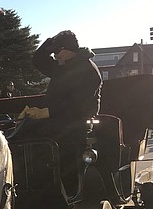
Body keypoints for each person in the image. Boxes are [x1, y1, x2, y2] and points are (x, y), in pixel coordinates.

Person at [31, 29, 102, 192]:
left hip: (76, 123)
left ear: (68, 50)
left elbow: (77, 105)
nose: (55, 56)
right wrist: (50, 43)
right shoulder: (61, 66)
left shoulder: (89, 71)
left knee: (59, 142)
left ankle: (66, 187)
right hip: (55, 120)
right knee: (26, 133)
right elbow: (37, 61)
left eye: (57, 52)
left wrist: (49, 112)